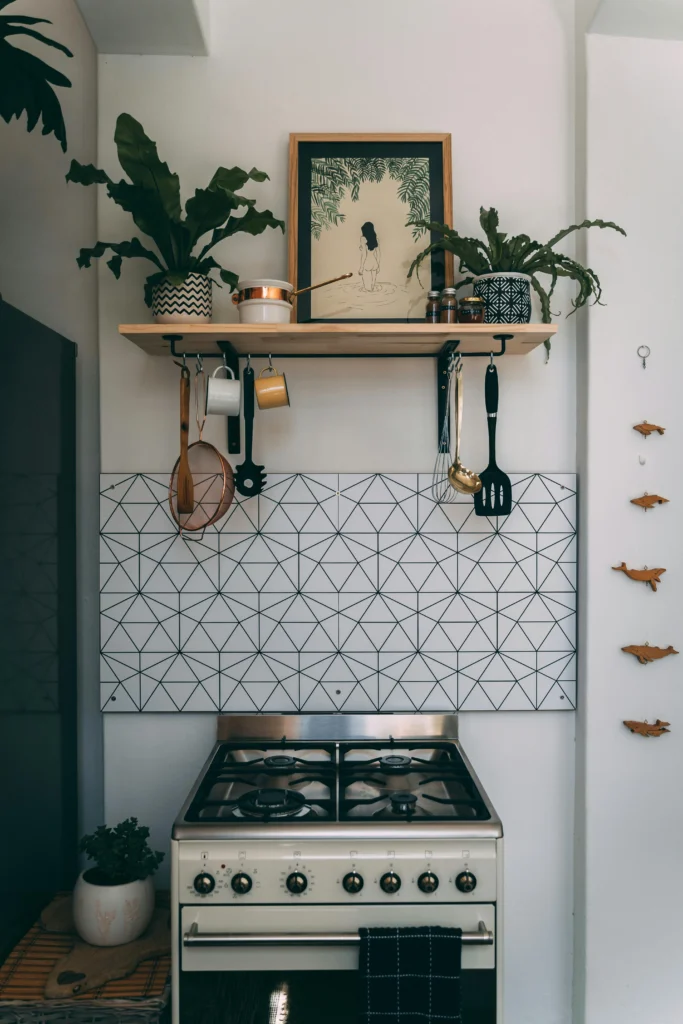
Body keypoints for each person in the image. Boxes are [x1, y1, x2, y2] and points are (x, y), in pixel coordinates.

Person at [359, 222, 380, 292]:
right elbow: (378, 254)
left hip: (367, 263)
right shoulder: (376, 239)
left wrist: (361, 267)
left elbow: (364, 254)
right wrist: (378, 266)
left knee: (367, 289)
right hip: (374, 263)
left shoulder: (363, 239)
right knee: (372, 288)